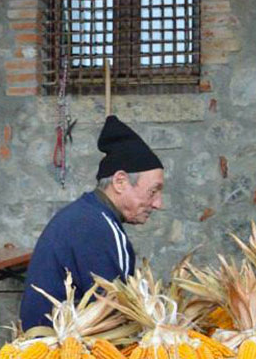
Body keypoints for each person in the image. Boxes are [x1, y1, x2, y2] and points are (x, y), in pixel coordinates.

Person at [19, 115, 164, 328]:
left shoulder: (85, 215)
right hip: (54, 351)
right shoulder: (100, 228)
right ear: (120, 182)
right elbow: (116, 318)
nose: (158, 203)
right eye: (153, 192)